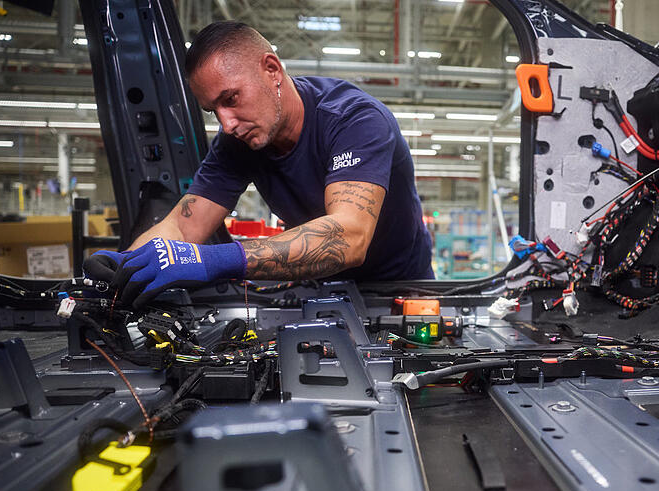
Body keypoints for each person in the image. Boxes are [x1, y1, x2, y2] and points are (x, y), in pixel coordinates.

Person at [84, 21, 433, 308]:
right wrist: (127, 266)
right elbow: (182, 226)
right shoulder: (237, 144)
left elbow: (348, 237)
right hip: (324, 288)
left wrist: (212, 261)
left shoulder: (354, 119)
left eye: (231, 98)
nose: (227, 124)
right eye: (213, 111)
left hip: (400, 291)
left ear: (271, 70)